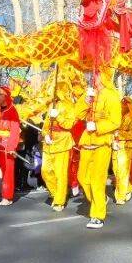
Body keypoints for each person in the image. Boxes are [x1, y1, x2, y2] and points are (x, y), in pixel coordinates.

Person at [76, 69, 121, 229]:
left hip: (102, 142)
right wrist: (85, 101)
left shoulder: (112, 95)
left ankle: (97, 215)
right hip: (87, 142)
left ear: (103, 76)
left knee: (97, 179)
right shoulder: (89, 92)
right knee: (82, 177)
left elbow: (115, 121)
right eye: (93, 73)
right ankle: (100, 198)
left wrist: (97, 126)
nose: (93, 76)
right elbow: (78, 114)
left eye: (96, 73)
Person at [41, 66, 82, 212]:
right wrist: (45, 135)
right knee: (45, 171)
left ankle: (59, 201)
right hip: (49, 143)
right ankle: (56, 193)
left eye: (58, 89)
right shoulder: (52, 105)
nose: (56, 91)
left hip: (63, 142)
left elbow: (69, 124)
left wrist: (57, 116)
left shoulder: (70, 106)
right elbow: (46, 125)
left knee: (60, 173)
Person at [112, 96, 132, 205]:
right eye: (122, 103)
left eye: (125, 103)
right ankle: (128, 188)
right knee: (116, 171)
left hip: (126, 146)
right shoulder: (116, 117)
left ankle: (121, 196)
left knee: (122, 172)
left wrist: (120, 133)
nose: (123, 105)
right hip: (115, 146)